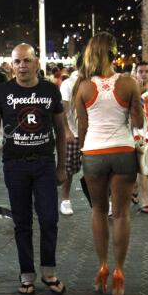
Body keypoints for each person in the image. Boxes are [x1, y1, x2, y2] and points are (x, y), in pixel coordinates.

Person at [0, 43, 67, 295]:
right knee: (22, 222)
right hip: (14, 165)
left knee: (49, 218)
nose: (21, 66)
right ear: (12, 65)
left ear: (36, 63)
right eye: (17, 62)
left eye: (26, 61)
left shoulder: (50, 90)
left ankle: (49, 272)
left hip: (44, 163)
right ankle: (27, 274)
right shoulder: (2, 91)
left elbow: (61, 131)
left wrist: (62, 166)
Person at [73, 32, 143, 295]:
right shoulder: (128, 83)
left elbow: (82, 127)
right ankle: (119, 272)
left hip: (93, 153)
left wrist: (82, 154)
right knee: (122, 214)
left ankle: (102, 267)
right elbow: (137, 123)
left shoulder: (83, 87)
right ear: (114, 53)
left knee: (99, 212)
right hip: (123, 151)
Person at [59, 55, 82, 216]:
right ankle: (65, 200)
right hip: (73, 133)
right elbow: (63, 109)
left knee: (98, 171)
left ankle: (104, 201)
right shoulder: (69, 83)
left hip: (94, 134)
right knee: (68, 170)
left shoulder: (95, 81)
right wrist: (66, 131)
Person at [132, 61, 148, 213]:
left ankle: (138, 193)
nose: (144, 74)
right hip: (134, 131)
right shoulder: (131, 88)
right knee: (140, 165)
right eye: (141, 71)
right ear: (136, 73)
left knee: (144, 166)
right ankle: (142, 197)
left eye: (147, 71)